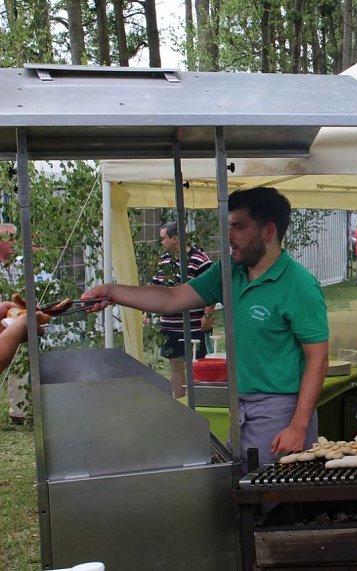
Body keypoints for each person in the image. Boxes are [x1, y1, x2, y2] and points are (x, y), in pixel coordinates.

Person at [83, 187, 329, 466]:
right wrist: (113, 292)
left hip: (280, 410)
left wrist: (298, 426)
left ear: (268, 231)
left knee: (265, 489)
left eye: (238, 227)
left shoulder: (299, 285)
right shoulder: (230, 271)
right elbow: (172, 298)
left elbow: (317, 359)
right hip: (240, 405)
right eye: (228, 226)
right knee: (239, 484)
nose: (228, 235)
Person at [152, 222, 216, 399]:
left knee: (194, 364)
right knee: (175, 365)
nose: (161, 242)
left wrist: (208, 315)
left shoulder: (199, 260)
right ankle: (179, 402)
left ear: (175, 238)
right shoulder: (163, 261)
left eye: (163, 238)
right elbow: (155, 286)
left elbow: (212, 289)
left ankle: (199, 402)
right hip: (170, 326)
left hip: (194, 325)